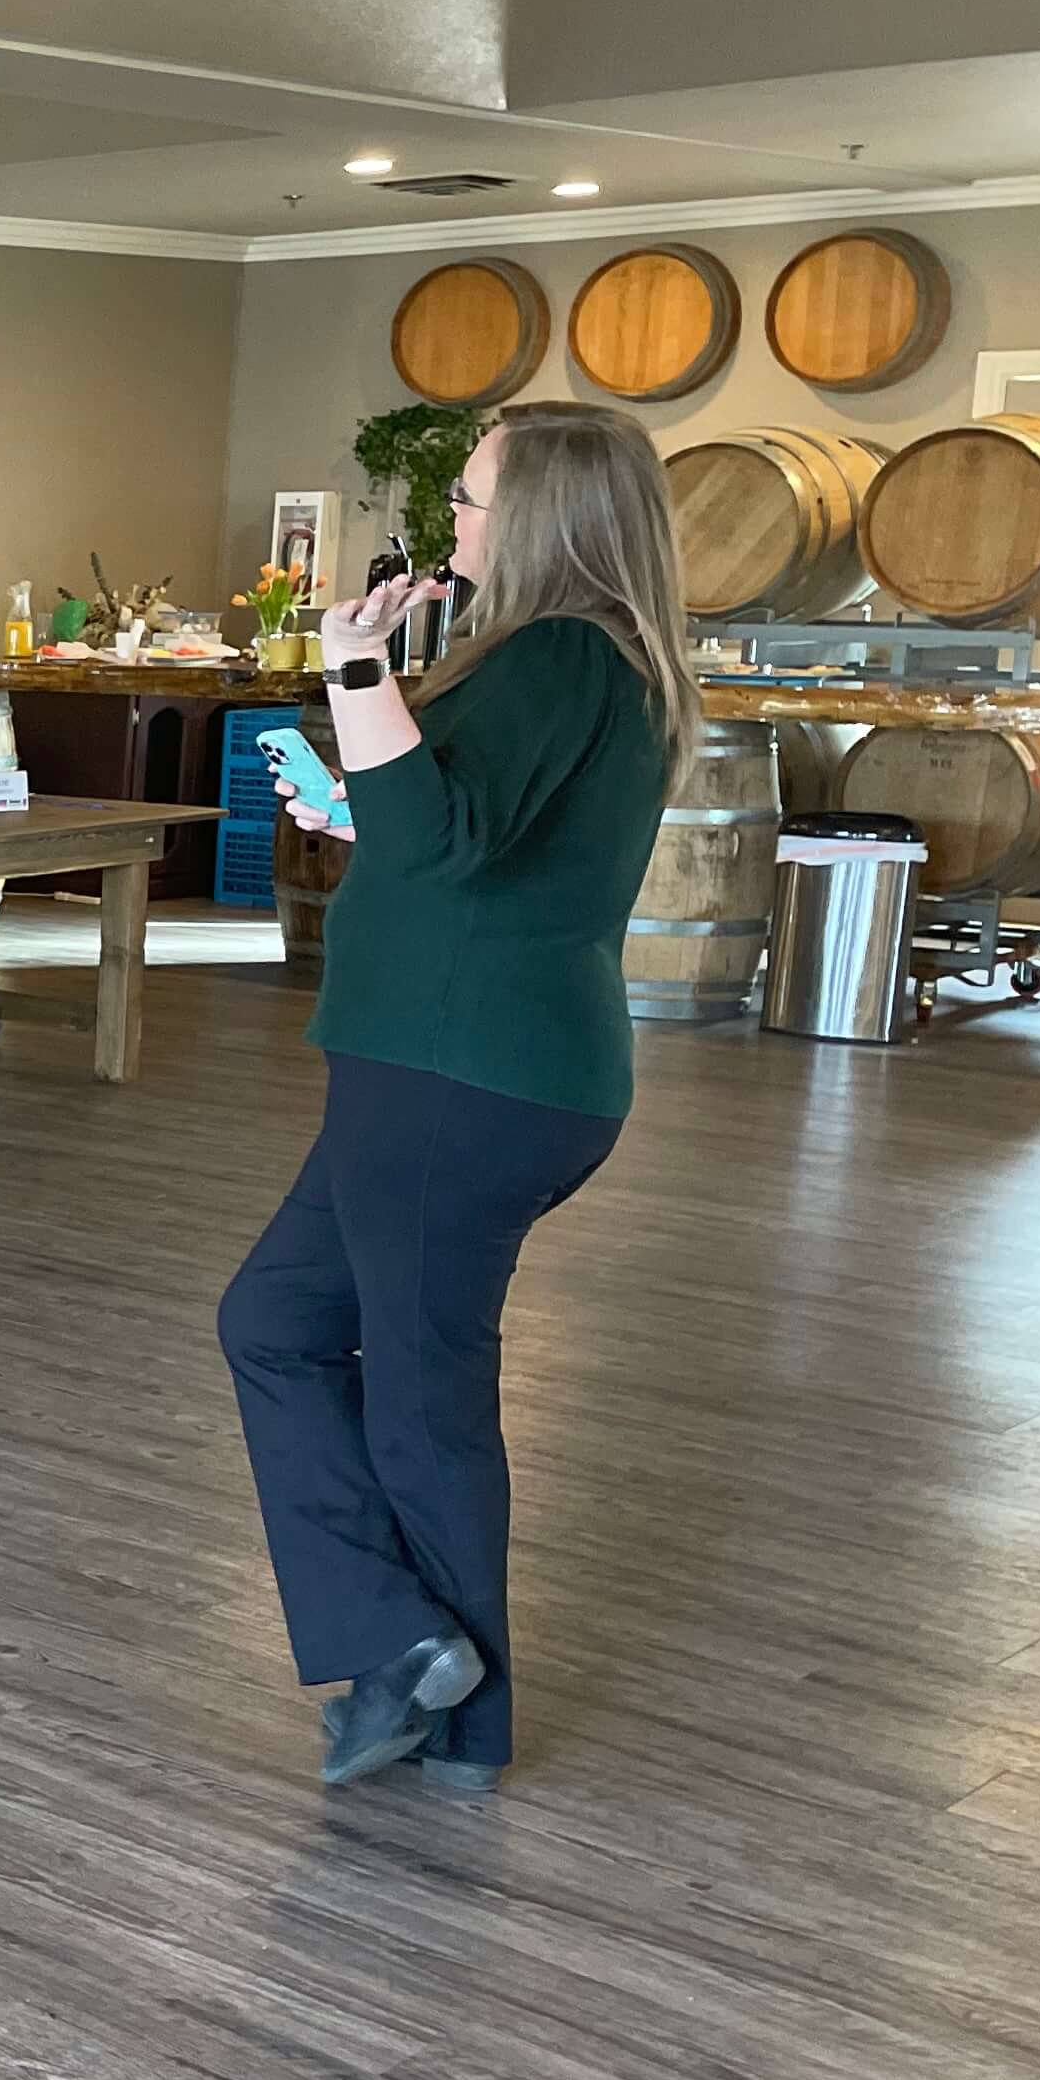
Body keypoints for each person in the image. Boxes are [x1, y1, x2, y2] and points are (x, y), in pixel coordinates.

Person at [219, 400, 687, 1794]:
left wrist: (356, 666)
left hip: (461, 1076)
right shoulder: (579, 663)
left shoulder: (560, 653)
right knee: (274, 1323)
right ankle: (404, 1646)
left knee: (423, 1396)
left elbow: (448, 832)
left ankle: (456, 1712)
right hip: (454, 1069)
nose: (457, 525)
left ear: (543, 516)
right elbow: (458, 836)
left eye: (475, 500)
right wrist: (363, 801)